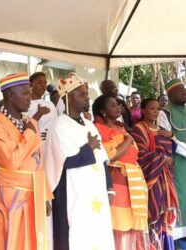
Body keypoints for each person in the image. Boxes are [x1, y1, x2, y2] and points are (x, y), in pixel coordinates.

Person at [44, 74, 115, 250]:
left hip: (95, 192)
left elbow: (102, 159)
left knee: (96, 234)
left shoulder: (90, 125)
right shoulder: (59, 125)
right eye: (82, 94)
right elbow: (65, 161)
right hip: (70, 192)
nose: (87, 98)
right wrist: (88, 147)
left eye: (86, 93)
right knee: (72, 237)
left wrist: (109, 187)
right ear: (68, 97)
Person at [0, 73, 53, 250]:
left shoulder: (29, 121)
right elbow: (11, 160)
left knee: (32, 240)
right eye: (25, 94)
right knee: (9, 239)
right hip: (10, 194)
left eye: (30, 93)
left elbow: (39, 160)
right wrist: (29, 133)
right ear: (9, 96)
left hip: (34, 191)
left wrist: (43, 194)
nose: (30, 98)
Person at [92, 95, 149, 250]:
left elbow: (133, 153)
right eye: (112, 105)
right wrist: (129, 140)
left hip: (133, 179)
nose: (118, 107)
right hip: (117, 180)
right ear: (102, 111)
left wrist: (126, 142)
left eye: (118, 104)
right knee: (119, 223)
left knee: (131, 223)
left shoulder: (121, 127)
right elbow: (111, 155)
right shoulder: (98, 129)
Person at [131, 98, 178, 250]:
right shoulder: (139, 129)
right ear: (143, 110)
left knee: (166, 215)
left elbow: (174, 150)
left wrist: (171, 137)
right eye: (152, 108)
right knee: (154, 214)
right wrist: (164, 158)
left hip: (167, 178)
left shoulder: (163, 130)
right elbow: (141, 155)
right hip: (152, 178)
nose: (156, 111)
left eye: (158, 108)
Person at [157, 79, 186, 246]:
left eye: (184, 89)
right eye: (180, 90)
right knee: (181, 200)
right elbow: (167, 143)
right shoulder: (165, 113)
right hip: (178, 164)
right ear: (169, 94)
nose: (184, 92)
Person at [27, 72, 57, 142]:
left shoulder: (50, 104)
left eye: (45, 83)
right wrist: (39, 113)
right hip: (36, 146)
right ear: (31, 85)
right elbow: (26, 128)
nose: (43, 85)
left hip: (52, 144)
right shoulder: (26, 105)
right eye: (39, 82)